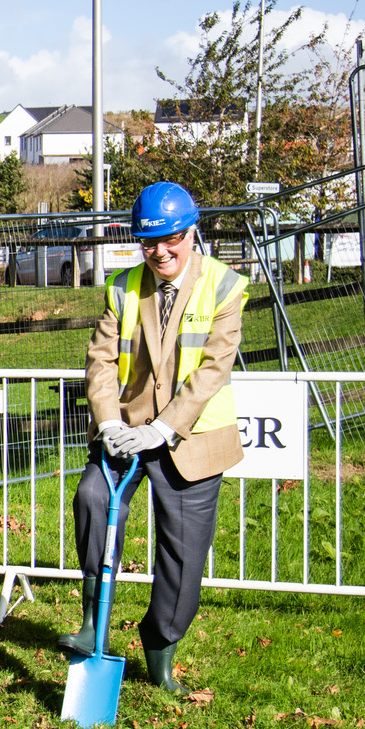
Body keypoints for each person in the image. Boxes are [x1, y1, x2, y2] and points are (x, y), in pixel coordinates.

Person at [58, 182, 248, 695]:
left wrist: (164, 429)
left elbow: (213, 368)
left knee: (182, 556)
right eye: (149, 243)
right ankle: (92, 623)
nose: (160, 251)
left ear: (193, 232)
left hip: (192, 436)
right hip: (126, 429)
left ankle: (160, 644)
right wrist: (110, 423)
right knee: (93, 500)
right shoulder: (122, 286)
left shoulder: (225, 287)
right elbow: (99, 361)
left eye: (172, 239)